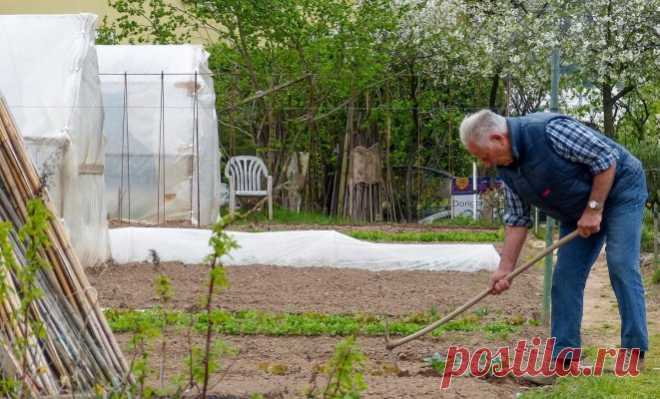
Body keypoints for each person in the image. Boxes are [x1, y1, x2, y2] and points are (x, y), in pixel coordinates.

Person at [459, 109, 648, 383]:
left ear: (498, 138)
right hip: (577, 210)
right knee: (565, 278)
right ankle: (564, 360)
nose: (486, 163)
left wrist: (594, 209)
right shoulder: (508, 170)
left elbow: (606, 160)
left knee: (620, 262)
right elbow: (517, 219)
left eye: (484, 156)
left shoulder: (548, 130)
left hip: (620, 187)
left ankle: (633, 353)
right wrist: (505, 269)